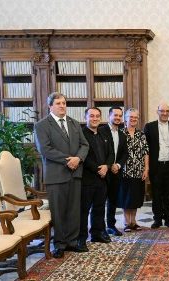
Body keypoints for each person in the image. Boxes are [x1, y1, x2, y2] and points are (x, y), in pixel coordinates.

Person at [34, 92, 89, 258]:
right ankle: (59, 244)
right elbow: (45, 149)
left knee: (74, 210)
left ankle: (72, 242)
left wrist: (78, 158)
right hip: (56, 175)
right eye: (58, 103)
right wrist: (68, 161)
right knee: (58, 211)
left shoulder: (73, 123)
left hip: (75, 173)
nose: (62, 106)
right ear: (50, 106)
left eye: (64, 103)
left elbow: (84, 145)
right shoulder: (42, 125)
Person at [79, 107, 114, 251]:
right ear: (86, 118)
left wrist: (107, 166)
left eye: (97, 116)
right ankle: (81, 238)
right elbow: (83, 155)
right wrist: (97, 169)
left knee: (99, 208)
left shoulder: (104, 133)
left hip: (103, 178)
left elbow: (111, 152)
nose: (94, 119)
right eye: (91, 116)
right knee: (84, 210)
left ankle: (97, 233)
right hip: (87, 178)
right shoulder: (81, 134)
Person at [144, 102, 169, 229]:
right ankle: (157, 219)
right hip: (155, 166)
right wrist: (146, 167)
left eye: (167, 111)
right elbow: (145, 148)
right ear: (157, 111)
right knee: (156, 194)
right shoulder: (149, 126)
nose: (164, 113)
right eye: (162, 111)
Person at [118, 108, 149, 232]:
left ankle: (134, 221)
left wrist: (146, 168)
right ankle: (126, 222)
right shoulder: (120, 133)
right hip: (124, 170)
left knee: (135, 197)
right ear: (125, 118)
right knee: (126, 197)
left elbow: (146, 152)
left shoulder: (141, 134)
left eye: (135, 117)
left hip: (138, 171)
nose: (133, 119)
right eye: (131, 117)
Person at [99, 106, 128, 237]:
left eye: (119, 116)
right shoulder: (101, 131)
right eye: (115, 115)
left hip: (116, 172)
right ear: (109, 116)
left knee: (113, 201)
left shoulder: (122, 134)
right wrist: (109, 165)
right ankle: (99, 228)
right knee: (99, 202)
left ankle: (111, 225)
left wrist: (118, 165)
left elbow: (124, 154)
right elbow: (99, 152)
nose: (117, 118)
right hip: (103, 172)